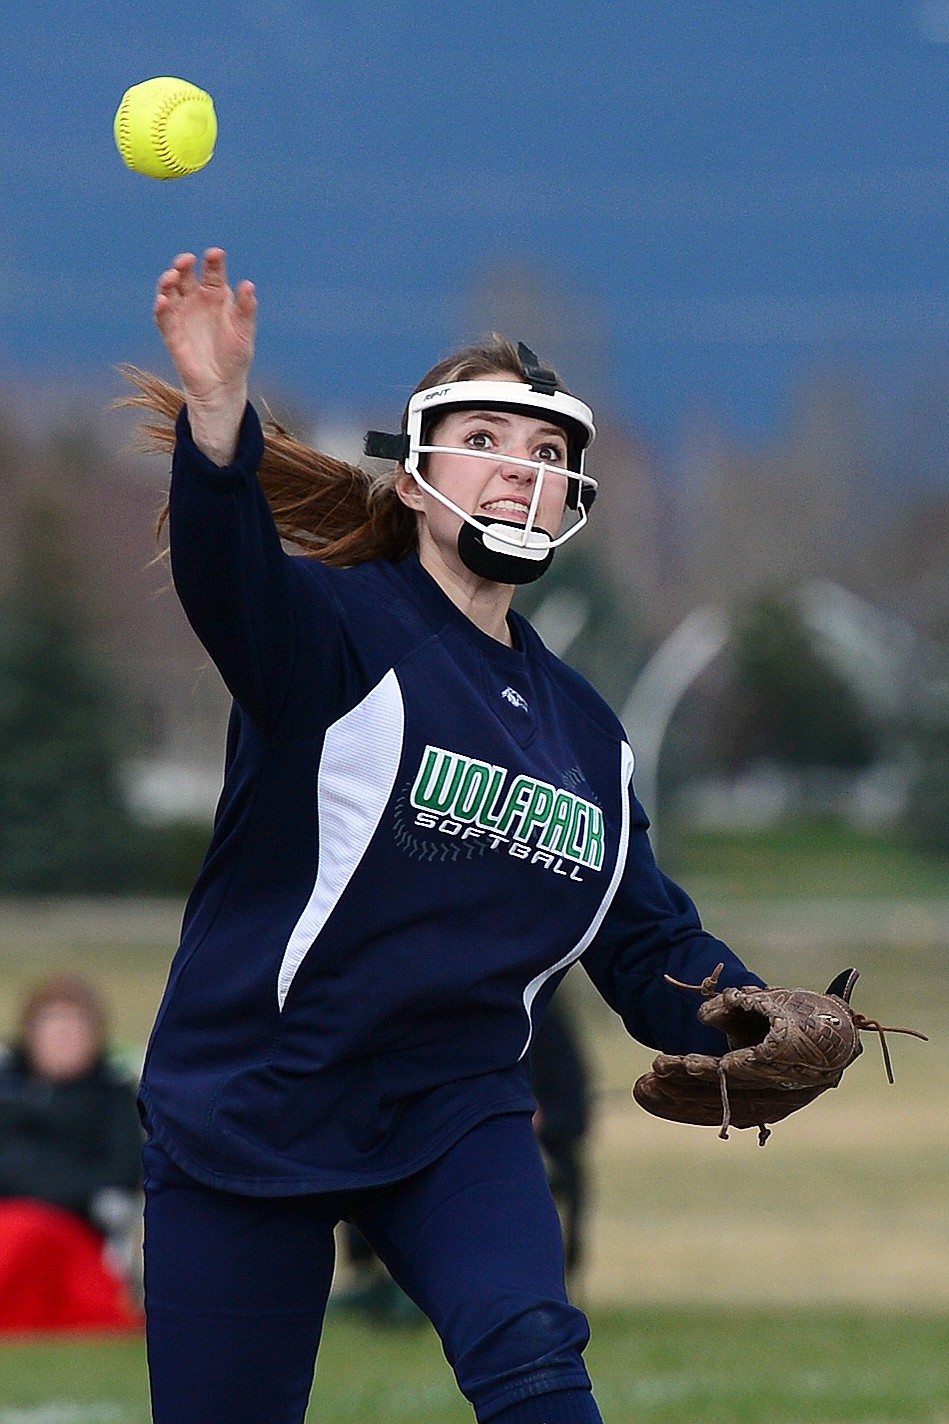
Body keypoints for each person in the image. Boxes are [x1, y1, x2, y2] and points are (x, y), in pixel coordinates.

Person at [127, 246, 766, 1424]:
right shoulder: (333, 628)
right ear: (415, 479)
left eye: (545, 454)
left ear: (571, 497)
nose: (517, 471)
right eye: (483, 440)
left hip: (450, 1106)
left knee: (533, 1359)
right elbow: (228, 579)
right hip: (254, 1097)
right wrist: (219, 423)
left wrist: (755, 1019)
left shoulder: (585, 732)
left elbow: (642, 938)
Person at [0, 974, 143, 1332]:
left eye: (75, 1029)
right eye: (54, 1028)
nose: (64, 1040)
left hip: (70, 1234)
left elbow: (122, 1171)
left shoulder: (110, 1097)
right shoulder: (8, 1092)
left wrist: (36, 1185)